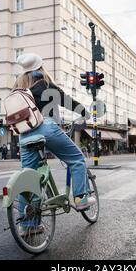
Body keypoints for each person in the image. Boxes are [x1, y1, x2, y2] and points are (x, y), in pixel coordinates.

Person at [13, 54, 95, 233]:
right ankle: (81, 199)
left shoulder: (17, 89)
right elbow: (67, 101)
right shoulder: (45, 84)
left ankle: (28, 225)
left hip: (24, 135)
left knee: (29, 177)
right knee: (76, 160)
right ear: (40, 68)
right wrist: (85, 113)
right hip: (46, 128)